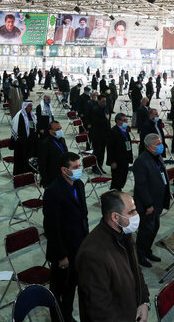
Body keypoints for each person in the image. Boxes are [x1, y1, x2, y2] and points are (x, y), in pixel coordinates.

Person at [75, 190, 150, 322]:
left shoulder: (125, 234)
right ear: (115, 217)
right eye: (131, 212)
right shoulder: (92, 254)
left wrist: (144, 301)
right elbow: (99, 309)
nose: (136, 215)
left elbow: (136, 270)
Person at [43, 152, 89, 322]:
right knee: (58, 288)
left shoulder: (79, 185)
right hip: (63, 251)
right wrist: (61, 255)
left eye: (80, 166)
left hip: (79, 246)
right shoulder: (53, 191)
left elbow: (83, 216)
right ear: (64, 170)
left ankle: (67, 316)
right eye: (75, 167)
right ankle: (57, 318)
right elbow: (51, 228)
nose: (79, 169)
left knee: (72, 286)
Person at [132, 133, 170, 267]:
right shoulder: (142, 161)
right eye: (158, 144)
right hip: (148, 204)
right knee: (146, 230)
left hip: (158, 201)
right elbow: (141, 186)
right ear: (149, 146)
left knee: (154, 228)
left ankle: (147, 250)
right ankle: (140, 255)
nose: (161, 146)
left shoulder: (157, 157)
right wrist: (148, 204)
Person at [106, 113, 133, 191]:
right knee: (116, 180)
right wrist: (112, 161)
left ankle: (119, 191)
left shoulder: (125, 130)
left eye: (126, 120)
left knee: (123, 178)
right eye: (124, 120)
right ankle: (113, 194)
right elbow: (110, 148)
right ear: (118, 121)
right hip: (117, 160)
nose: (126, 122)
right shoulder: (113, 132)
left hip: (125, 158)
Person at [10, 101, 38, 175]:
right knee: (21, 158)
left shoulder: (32, 115)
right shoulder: (19, 115)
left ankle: (30, 173)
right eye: (29, 106)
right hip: (21, 142)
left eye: (31, 106)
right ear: (25, 106)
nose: (31, 108)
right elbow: (16, 129)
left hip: (31, 142)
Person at [39, 121, 68, 188]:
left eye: (60, 128)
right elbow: (42, 164)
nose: (60, 131)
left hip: (63, 174)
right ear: (51, 131)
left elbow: (66, 154)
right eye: (57, 129)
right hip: (52, 177)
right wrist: (45, 181)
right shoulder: (45, 144)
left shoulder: (62, 140)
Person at [88, 95, 110, 170]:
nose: (104, 102)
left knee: (102, 152)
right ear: (99, 101)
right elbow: (96, 121)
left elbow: (108, 120)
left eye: (105, 100)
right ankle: (95, 167)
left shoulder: (105, 108)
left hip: (104, 134)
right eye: (103, 101)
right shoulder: (95, 109)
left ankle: (100, 166)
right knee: (97, 152)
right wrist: (106, 119)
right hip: (97, 134)